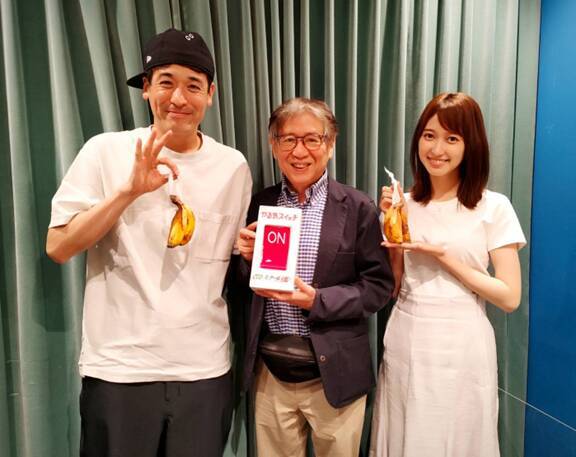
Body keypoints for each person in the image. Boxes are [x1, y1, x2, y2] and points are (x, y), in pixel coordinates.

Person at [46, 28, 252, 457]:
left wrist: (251, 251)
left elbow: (232, 262)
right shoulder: (105, 151)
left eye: (193, 85)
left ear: (210, 94)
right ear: (146, 88)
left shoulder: (233, 167)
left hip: (204, 371)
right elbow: (59, 246)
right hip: (120, 371)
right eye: (166, 82)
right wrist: (127, 192)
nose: (179, 97)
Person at [369, 92, 526, 457]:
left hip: (463, 343)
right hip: (407, 336)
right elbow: (394, 286)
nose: (437, 149)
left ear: (471, 145)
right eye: (429, 135)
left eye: (452, 138)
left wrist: (444, 257)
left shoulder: (493, 206)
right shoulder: (404, 203)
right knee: (405, 432)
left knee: (459, 435)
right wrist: (389, 224)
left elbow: (509, 297)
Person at [236, 97, 393, 457]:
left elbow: (378, 287)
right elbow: (246, 284)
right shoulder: (261, 203)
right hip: (271, 374)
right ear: (273, 145)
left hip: (336, 373)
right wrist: (245, 260)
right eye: (288, 139)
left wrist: (317, 301)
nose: (299, 151)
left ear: (330, 144)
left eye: (311, 139)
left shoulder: (358, 207)